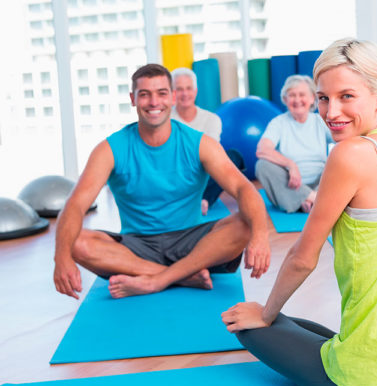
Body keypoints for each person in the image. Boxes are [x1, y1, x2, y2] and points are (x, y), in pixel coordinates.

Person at [222, 39, 377, 386]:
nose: (330, 111)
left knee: (249, 322)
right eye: (323, 98)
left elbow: (302, 258)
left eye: (346, 97)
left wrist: (265, 314)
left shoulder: (348, 154)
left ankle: (354, 353)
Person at [53, 64, 270, 300]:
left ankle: (157, 280)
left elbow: (243, 188)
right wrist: (61, 257)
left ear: (173, 97)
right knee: (75, 242)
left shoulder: (199, 143)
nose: (154, 102)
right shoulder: (110, 149)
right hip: (136, 249)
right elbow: (75, 204)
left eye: (162, 93)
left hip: (194, 244)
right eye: (144, 94)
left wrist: (260, 236)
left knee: (246, 224)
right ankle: (181, 276)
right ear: (133, 99)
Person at [171, 67, 245, 215]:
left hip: (204, 170)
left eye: (188, 88)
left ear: (195, 91)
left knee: (233, 156)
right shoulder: (166, 120)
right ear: (173, 92)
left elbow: (212, 153)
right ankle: (188, 199)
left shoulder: (211, 119)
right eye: (179, 89)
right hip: (178, 174)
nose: (185, 94)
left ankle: (204, 199)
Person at [255, 75, 333, 213]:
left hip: (320, 182)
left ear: (311, 99)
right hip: (291, 184)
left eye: (302, 95)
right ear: (285, 100)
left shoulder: (320, 121)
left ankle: (306, 200)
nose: (297, 100)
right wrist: (291, 165)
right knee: (262, 165)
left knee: (339, 161)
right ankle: (313, 199)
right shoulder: (279, 122)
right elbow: (262, 149)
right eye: (292, 95)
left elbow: (343, 140)